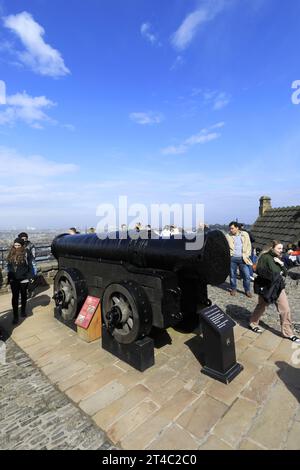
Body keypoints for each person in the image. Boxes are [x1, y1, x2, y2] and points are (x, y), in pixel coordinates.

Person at [249, 240, 300, 343]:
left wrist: (281, 264)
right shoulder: (265, 257)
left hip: (278, 287)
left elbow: (285, 273)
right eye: (279, 248)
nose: (281, 250)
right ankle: (253, 323)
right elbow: (260, 272)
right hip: (267, 287)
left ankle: (288, 333)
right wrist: (277, 273)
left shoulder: (279, 258)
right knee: (261, 306)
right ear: (272, 248)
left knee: (285, 309)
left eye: (282, 248)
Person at [6, 238, 34, 325]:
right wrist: (9, 277)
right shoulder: (11, 252)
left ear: (22, 245)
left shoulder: (26, 253)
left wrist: (30, 277)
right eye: (15, 245)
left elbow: (30, 266)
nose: (17, 247)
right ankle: (15, 316)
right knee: (15, 297)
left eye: (19, 245)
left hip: (24, 278)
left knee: (23, 295)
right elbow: (9, 266)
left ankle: (22, 310)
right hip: (14, 279)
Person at [226, 221, 252, 297]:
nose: (231, 230)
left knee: (246, 276)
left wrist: (247, 255)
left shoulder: (245, 234)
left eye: (232, 228)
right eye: (230, 228)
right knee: (232, 275)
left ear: (237, 228)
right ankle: (233, 288)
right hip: (232, 258)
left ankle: (247, 290)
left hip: (243, 258)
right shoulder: (227, 236)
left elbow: (249, 246)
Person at [18, 232, 37, 297]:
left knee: (32, 278)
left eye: (25, 238)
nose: (24, 240)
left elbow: (33, 255)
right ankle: (22, 294)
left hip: (30, 263)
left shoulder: (30, 245)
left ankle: (31, 291)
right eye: (22, 238)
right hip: (21, 265)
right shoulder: (18, 245)